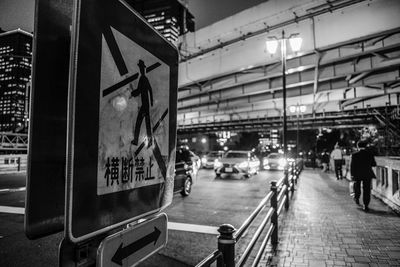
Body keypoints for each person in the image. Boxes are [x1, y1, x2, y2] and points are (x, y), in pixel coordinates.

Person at [350, 140, 376, 212]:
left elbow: (352, 166)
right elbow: (374, 164)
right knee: (367, 190)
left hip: (357, 174)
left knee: (357, 186)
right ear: (366, 146)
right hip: (367, 173)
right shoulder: (370, 154)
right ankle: (366, 205)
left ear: (358, 146)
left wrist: (352, 175)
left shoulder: (354, 155)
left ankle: (357, 198)